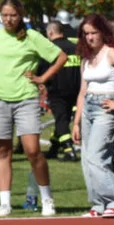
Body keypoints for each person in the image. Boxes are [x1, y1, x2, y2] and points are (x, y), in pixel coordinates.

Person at [0, 0, 66, 217]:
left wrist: (42, 78)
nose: (9, 19)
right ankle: (5, 202)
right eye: (5, 15)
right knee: (3, 151)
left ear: (20, 15)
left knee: (33, 150)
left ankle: (47, 198)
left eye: (13, 15)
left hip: (25, 99)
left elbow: (60, 57)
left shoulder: (31, 37)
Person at [72, 14, 114, 218]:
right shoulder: (86, 60)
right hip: (87, 109)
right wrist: (76, 122)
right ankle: (98, 204)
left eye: (94, 33)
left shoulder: (110, 53)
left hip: (106, 107)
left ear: (102, 33)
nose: (90, 37)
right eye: (86, 34)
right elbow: (82, 92)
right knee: (86, 158)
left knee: (96, 155)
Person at [42, 20, 81, 161]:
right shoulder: (75, 48)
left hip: (57, 90)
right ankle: (54, 149)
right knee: (62, 120)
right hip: (75, 91)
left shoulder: (50, 48)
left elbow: (43, 69)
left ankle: (69, 150)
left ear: (51, 32)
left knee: (61, 120)